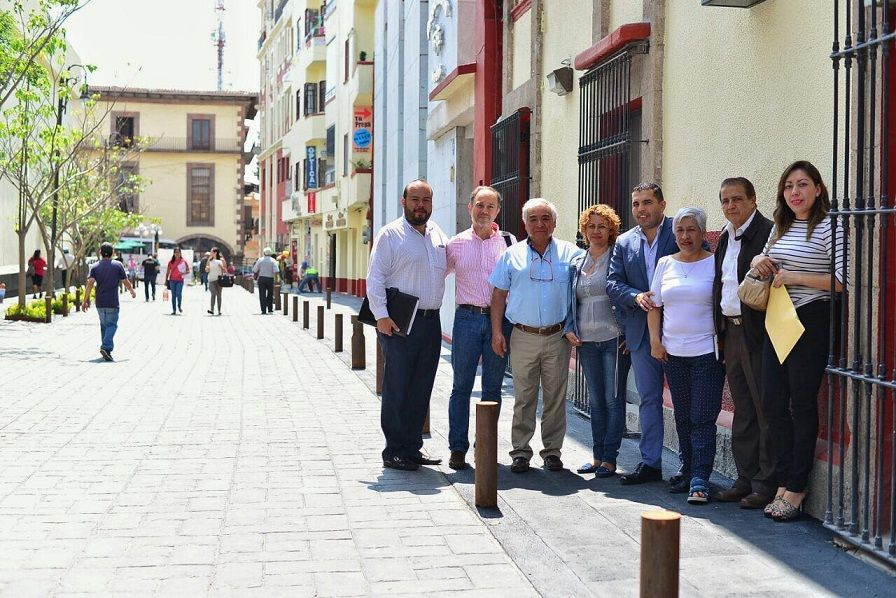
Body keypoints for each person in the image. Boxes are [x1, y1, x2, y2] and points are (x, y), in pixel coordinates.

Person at [751, 161, 843, 522]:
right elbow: (768, 262)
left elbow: (842, 281)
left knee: (801, 405)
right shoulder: (781, 226)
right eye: (788, 186)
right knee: (773, 402)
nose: (795, 192)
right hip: (778, 318)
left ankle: (796, 487)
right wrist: (761, 260)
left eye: (802, 185)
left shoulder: (829, 226)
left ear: (818, 189)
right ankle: (784, 477)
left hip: (811, 321)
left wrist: (793, 276)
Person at [490, 198, 583, 473]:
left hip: (557, 337)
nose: (540, 224)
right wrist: (497, 332)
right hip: (523, 335)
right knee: (524, 396)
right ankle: (520, 451)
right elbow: (498, 295)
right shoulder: (511, 255)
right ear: (525, 223)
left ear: (554, 222)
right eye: (533, 219)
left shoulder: (572, 253)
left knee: (556, 396)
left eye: (545, 218)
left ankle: (552, 451)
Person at [366, 179, 448, 471]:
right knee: (398, 387)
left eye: (425, 200)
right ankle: (394, 450)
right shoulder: (390, 234)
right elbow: (375, 278)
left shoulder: (438, 234)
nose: (420, 205)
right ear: (404, 202)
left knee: (421, 387)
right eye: (415, 199)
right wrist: (381, 316)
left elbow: (449, 267)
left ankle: (413, 448)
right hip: (399, 322)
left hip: (430, 321)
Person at [647, 207, 725, 505]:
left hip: (707, 352)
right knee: (682, 415)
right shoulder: (665, 263)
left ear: (703, 233)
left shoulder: (715, 264)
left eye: (691, 230)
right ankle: (687, 467)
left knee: (703, 416)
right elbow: (655, 306)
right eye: (680, 230)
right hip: (673, 353)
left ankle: (701, 478)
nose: (685, 236)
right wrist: (656, 341)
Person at [607, 183, 681, 487]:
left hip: (680, 330)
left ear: (662, 205)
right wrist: (636, 297)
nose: (641, 209)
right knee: (649, 399)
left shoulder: (679, 231)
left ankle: (687, 466)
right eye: (636, 204)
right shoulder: (625, 242)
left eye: (647, 202)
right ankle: (650, 462)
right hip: (640, 333)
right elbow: (613, 284)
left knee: (683, 400)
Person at [712, 177, 777, 509]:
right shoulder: (726, 236)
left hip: (758, 334)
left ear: (753, 199)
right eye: (724, 201)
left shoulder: (767, 233)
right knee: (743, 410)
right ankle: (745, 477)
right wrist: (720, 335)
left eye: (736, 199)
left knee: (765, 409)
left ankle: (766, 483)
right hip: (732, 333)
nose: (730, 206)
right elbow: (721, 287)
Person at [444, 185, 516, 470]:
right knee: (461, 386)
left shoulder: (509, 244)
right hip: (466, 320)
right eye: (479, 205)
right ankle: (457, 448)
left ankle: (484, 446)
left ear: (497, 211)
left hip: (501, 322)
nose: (484, 211)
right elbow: (436, 275)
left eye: (490, 206)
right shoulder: (455, 244)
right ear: (469, 207)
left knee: (493, 388)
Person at [564, 204, 626, 478]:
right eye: (592, 226)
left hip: (613, 338)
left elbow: (626, 294)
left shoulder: (617, 258)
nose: (597, 231)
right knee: (595, 401)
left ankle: (610, 458)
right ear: (584, 230)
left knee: (613, 400)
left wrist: (629, 332)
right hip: (586, 341)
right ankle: (597, 456)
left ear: (611, 230)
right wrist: (569, 328)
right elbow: (570, 301)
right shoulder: (577, 262)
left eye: (603, 226)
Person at [81, 242, 136, 361]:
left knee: (104, 326)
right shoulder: (118, 265)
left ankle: (106, 351)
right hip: (112, 302)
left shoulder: (94, 267)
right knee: (112, 325)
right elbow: (125, 281)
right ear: (113, 253)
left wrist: (85, 300)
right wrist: (131, 290)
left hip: (99, 302)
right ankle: (106, 347)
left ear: (100, 253)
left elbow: (90, 284)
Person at [253, 247, 279, 314]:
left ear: (264, 253)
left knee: (262, 295)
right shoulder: (273, 260)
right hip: (270, 278)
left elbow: (254, 270)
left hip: (261, 278)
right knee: (270, 294)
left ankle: (263, 310)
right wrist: (276, 280)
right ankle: (270, 309)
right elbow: (276, 271)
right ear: (270, 253)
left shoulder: (260, 260)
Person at [165, 248, 189, 315]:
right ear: (174, 253)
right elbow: (167, 272)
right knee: (173, 295)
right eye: (176, 252)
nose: (177, 254)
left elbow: (188, 271)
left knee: (179, 294)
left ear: (180, 253)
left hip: (180, 280)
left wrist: (183, 273)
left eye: (178, 252)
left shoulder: (183, 261)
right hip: (172, 280)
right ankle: (174, 310)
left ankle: (179, 306)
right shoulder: (171, 262)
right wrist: (166, 281)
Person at [206, 247, 226, 315]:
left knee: (219, 295)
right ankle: (212, 310)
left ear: (215, 252)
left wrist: (221, 267)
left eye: (211, 252)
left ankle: (219, 310)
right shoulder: (209, 260)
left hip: (219, 280)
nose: (210, 253)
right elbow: (207, 269)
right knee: (213, 293)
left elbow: (225, 270)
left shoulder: (221, 260)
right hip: (211, 279)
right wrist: (207, 269)